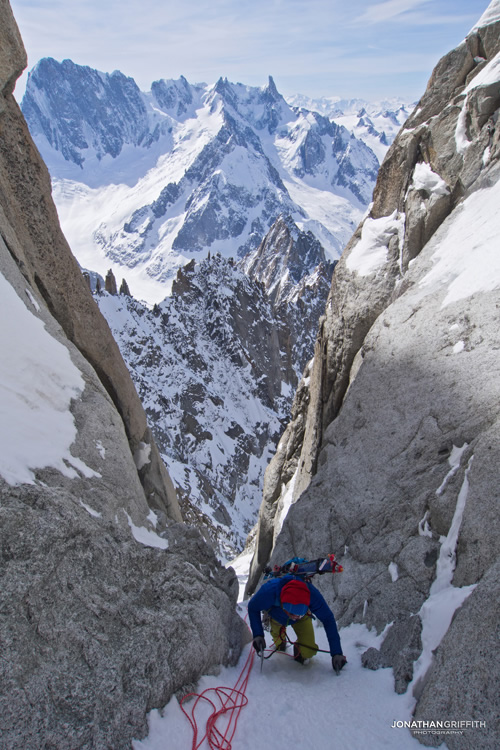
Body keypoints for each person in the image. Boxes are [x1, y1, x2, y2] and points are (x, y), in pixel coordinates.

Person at [248, 575, 347, 674]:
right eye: (292, 614)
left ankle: (299, 649)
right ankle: (280, 641)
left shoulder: (312, 595)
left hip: (301, 618)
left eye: (299, 614)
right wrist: (258, 635)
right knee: (280, 646)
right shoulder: (268, 592)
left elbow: (328, 618)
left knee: (308, 651)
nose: (295, 616)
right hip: (276, 615)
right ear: (283, 604)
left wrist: (337, 652)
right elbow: (253, 607)